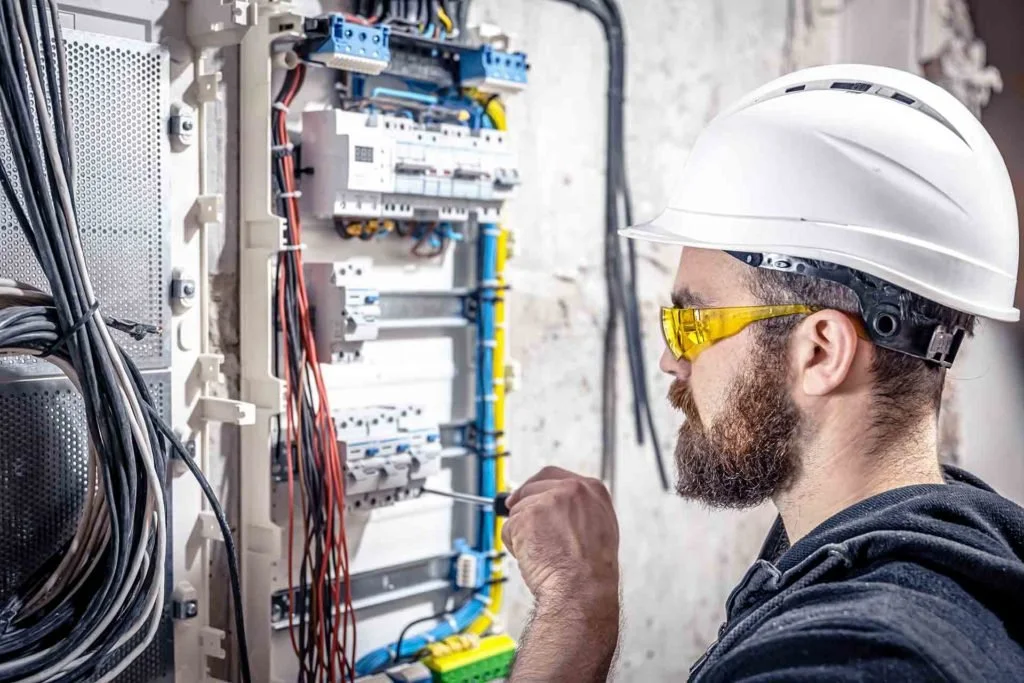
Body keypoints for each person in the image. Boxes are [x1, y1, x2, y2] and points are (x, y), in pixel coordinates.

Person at [501, 64, 1024, 682]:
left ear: (821, 352)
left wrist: (572, 613)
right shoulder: (958, 551)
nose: (672, 359)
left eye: (692, 324)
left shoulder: (849, 664)